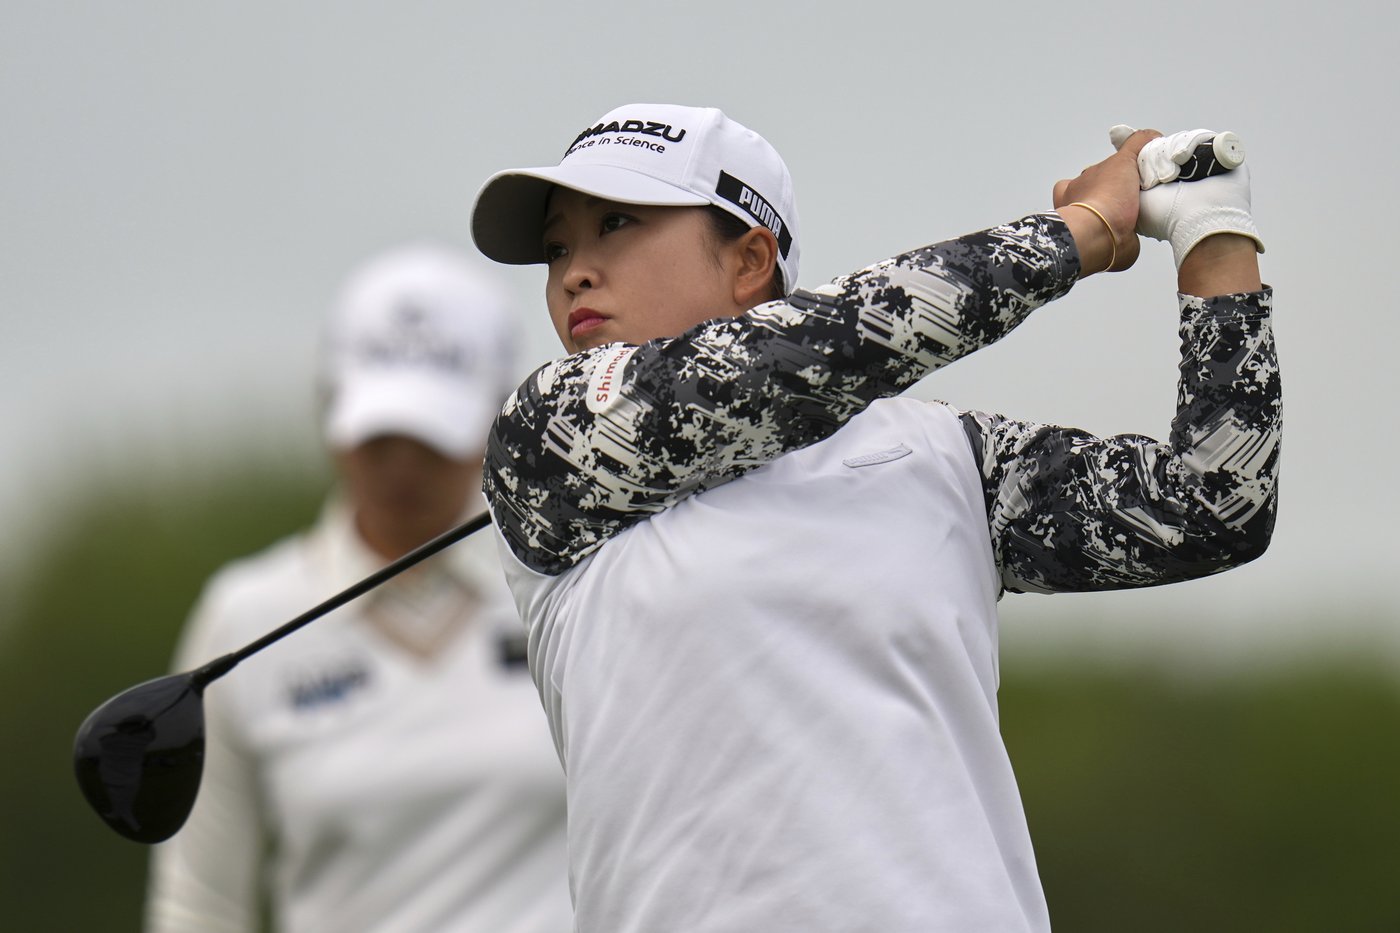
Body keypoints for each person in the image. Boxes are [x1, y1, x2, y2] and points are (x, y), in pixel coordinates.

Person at [466, 103, 1278, 932]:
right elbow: (827, 346)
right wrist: (1081, 230)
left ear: (750, 260)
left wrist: (1213, 234)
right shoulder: (547, 439)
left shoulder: (945, 457)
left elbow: (1214, 504)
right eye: (558, 247)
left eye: (614, 225)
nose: (575, 272)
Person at [143, 244, 572, 933]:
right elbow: (200, 905)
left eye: (430, 439)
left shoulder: (569, 584)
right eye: (380, 437)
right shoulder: (244, 616)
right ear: (330, 412)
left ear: (500, 418)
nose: (402, 467)